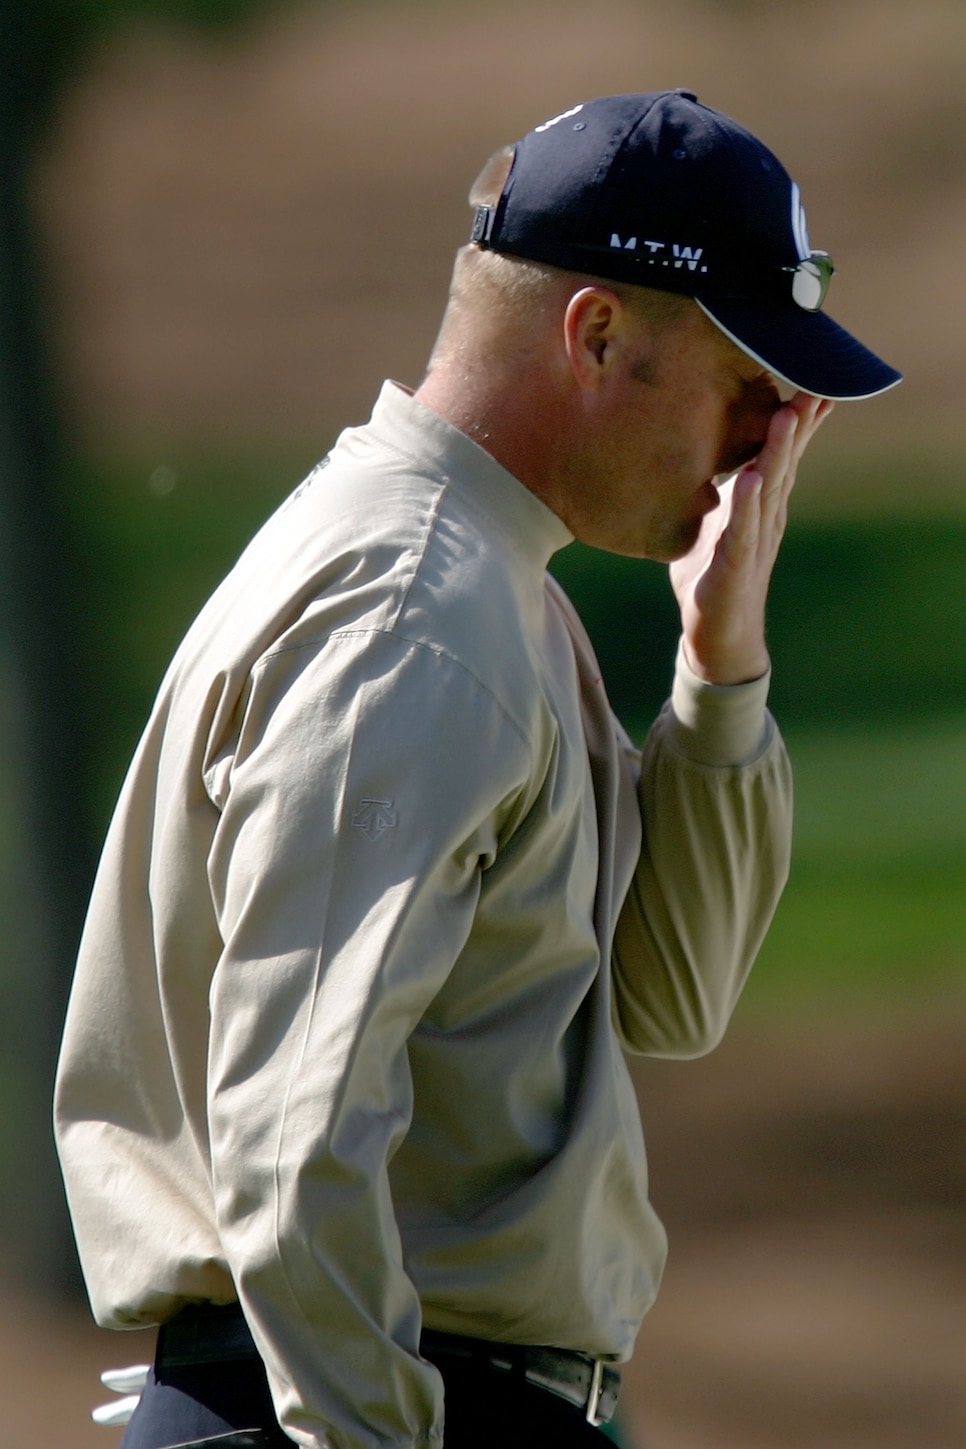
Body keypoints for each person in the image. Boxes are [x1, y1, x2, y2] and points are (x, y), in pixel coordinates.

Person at [54, 90, 901, 1449]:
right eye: (750, 382)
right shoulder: (419, 619)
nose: (772, 438)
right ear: (598, 331)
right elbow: (292, 1135)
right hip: (369, 1412)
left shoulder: (482, 586)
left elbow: (667, 994)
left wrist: (718, 669)